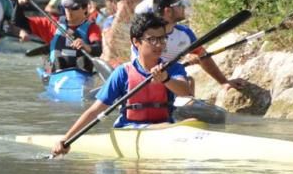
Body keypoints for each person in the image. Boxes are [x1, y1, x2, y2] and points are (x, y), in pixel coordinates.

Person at [50, 13, 194, 157]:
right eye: (152, 40)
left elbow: (185, 92)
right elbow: (94, 111)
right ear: (136, 42)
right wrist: (66, 138)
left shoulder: (172, 68)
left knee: (191, 122)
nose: (159, 44)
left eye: (162, 38)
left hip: (166, 126)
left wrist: (166, 79)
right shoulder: (123, 73)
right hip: (130, 129)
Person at [149, 0, 246, 93]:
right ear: (168, 11)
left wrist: (224, 82)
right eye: (180, 4)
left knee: (189, 82)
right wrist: (182, 60)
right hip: (152, 86)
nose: (184, 6)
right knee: (189, 82)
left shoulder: (185, 32)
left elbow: (203, 57)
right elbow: (146, 67)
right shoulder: (147, 36)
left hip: (173, 84)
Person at [14, 0, 102, 73]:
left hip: (81, 75)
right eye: (66, 6)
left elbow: (98, 49)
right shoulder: (53, 23)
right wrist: (20, 4)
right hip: (55, 72)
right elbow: (18, 22)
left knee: (83, 61)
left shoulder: (92, 28)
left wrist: (87, 47)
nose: (69, 11)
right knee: (58, 62)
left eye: (74, 7)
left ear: (85, 8)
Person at [100, 0, 142, 64]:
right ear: (116, 5)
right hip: (113, 61)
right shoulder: (110, 21)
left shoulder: (138, 21)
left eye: (131, 3)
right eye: (126, 4)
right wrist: (119, 15)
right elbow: (109, 42)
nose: (129, 7)